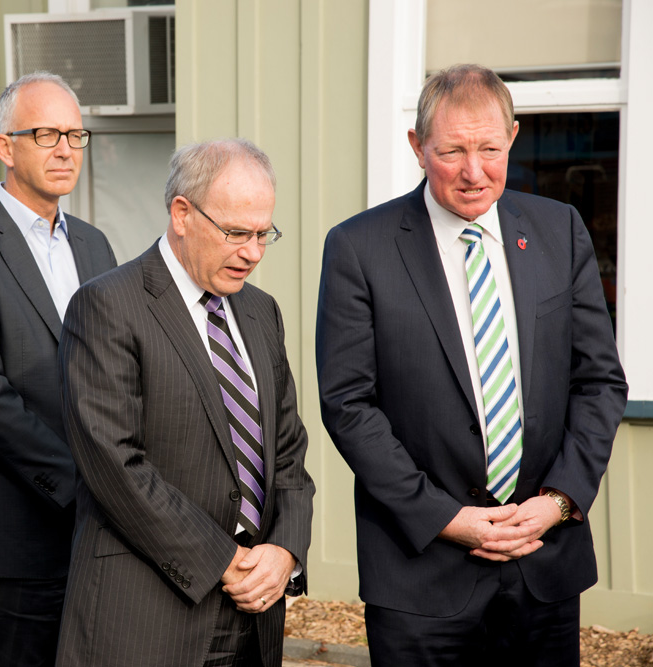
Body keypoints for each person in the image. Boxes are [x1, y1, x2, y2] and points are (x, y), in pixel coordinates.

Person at [316, 64, 628, 666]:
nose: (474, 171)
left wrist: (558, 502)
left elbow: (599, 381)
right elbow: (349, 404)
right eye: (452, 150)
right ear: (417, 146)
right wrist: (448, 519)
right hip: (421, 575)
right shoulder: (359, 248)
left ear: (511, 137)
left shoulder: (559, 229)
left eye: (489, 148)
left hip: (545, 563)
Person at [56, 138, 314, 667]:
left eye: (264, 234)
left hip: (254, 618)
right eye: (237, 233)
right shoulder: (108, 305)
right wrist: (224, 561)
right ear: (182, 214)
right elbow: (115, 466)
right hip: (147, 613)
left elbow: (286, 452)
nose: (253, 252)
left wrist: (284, 551)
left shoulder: (261, 312)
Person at [0, 71, 116, 667]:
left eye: (75, 135)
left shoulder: (94, 245)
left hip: (95, 535)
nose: (65, 149)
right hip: (10, 532)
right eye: (46, 134)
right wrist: (88, 486)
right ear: (6, 146)